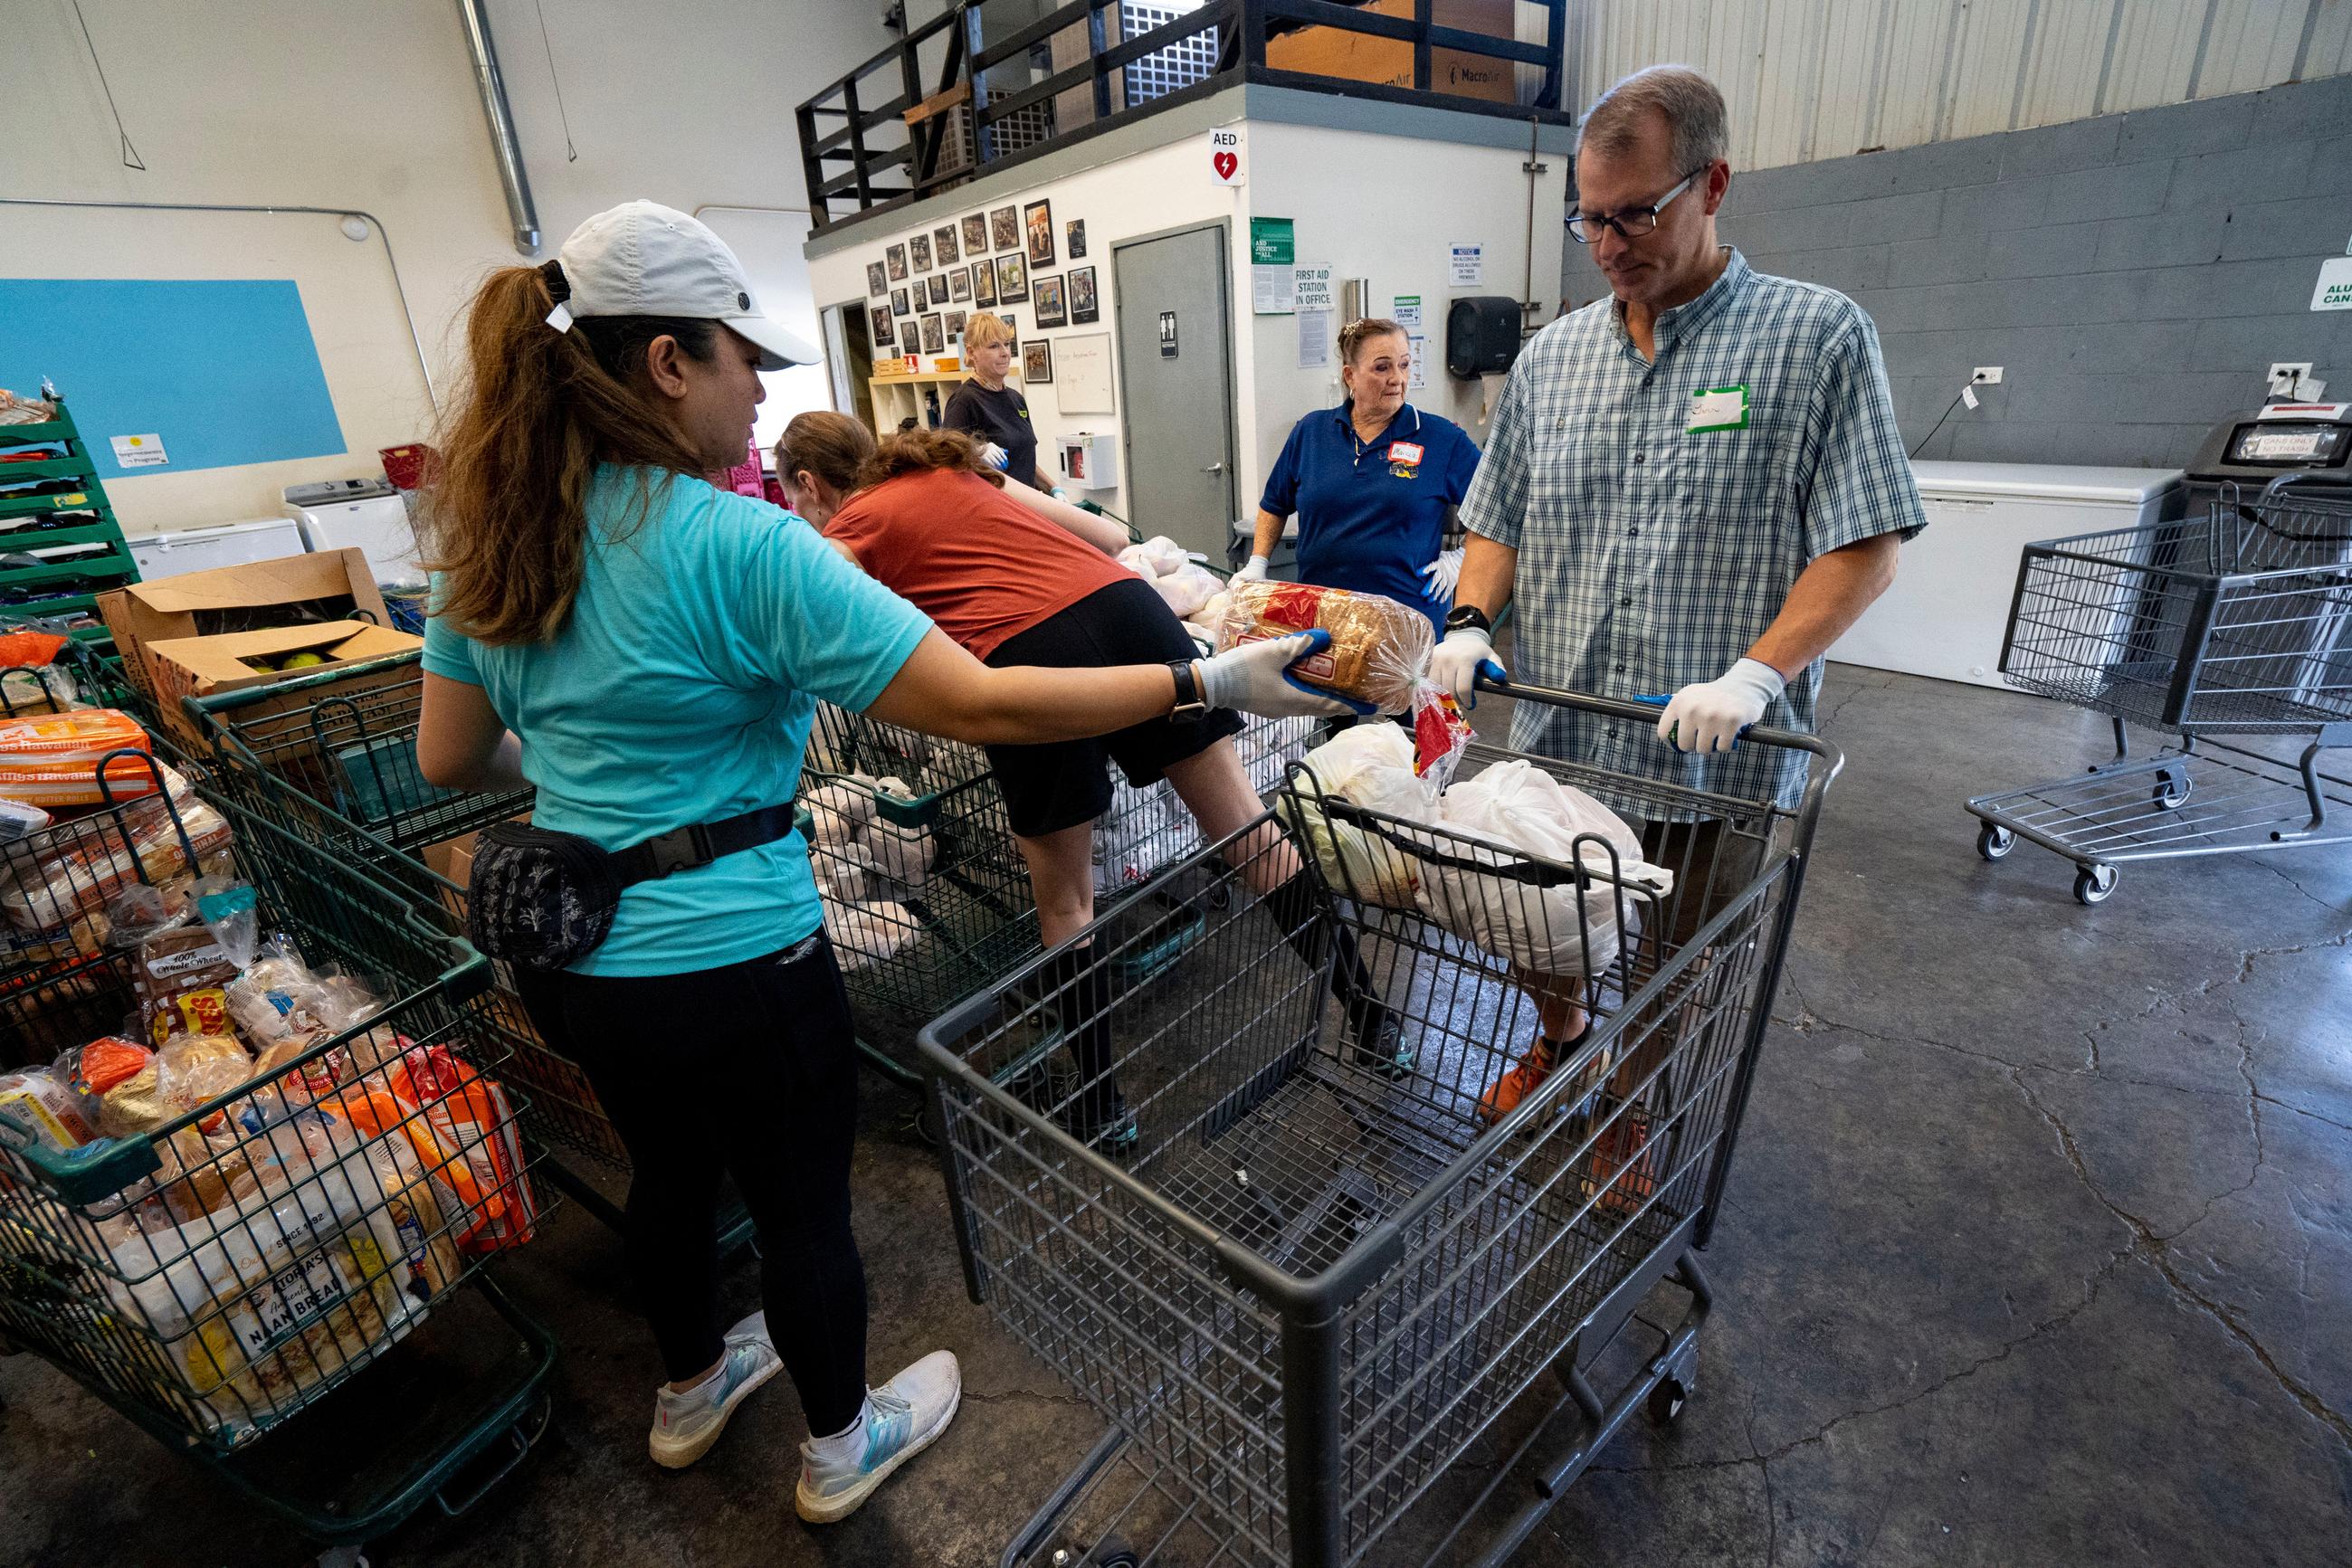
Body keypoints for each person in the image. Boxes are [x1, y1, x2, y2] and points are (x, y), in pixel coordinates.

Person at [412, 202, 1347, 1524]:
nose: (757, 395)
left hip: (583, 954)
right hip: (737, 949)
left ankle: (687, 1394)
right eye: (742, 358)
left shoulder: (496, 543)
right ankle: (840, 1441)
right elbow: (979, 702)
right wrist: (1205, 675)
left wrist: (589, 781)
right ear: (667, 362)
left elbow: (451, 756)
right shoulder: (737, 543)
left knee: (664, 1174)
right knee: (799, 1206)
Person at [1428, 66, 1924, 1131]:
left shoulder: (1816, 338)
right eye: (1589, 221)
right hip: (1568, 735)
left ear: (1714, 184)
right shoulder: (1553, 358)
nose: (1609, 246)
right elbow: (1497, 518)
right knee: (1539, 919)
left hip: (1714, 759)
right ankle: (1559, 1040)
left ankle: (1633, 1099)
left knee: (1672, 952)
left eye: (1635, 214)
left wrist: (1757, 674)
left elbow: (1866, 545)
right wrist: (1471, 619)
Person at [776, 413, 1420, 1125]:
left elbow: (820, 610)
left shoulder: (849, 528)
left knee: (1067, 903)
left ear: (808, 486)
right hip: (1128, 608)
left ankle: (1102, 1101)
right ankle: (1370, 1021)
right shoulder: (955, 468)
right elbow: (1112, 538)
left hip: (1027, 653)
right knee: (1247, 830)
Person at [1241, 318, 1484, 632]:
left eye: (1405, 365)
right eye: (1382, 368)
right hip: (1322, 617)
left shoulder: (1441, 439)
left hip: (1405, 622)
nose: (1397, 379)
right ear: (1350, 376)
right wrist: (1258, 563)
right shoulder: (1311, 432)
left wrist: (1461, 560)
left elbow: (1497, 510)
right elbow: (1274, 504)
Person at [940, 311, 1039, 487]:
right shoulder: (965, 401)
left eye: (1007, 344)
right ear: (971, 352)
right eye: (994, 346)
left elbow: (1025, 458)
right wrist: (976, 451)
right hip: (995, 504)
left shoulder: (1016, 399)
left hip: (1026, 503)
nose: (1005, 353)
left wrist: (1054, 488)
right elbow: (947, 459)